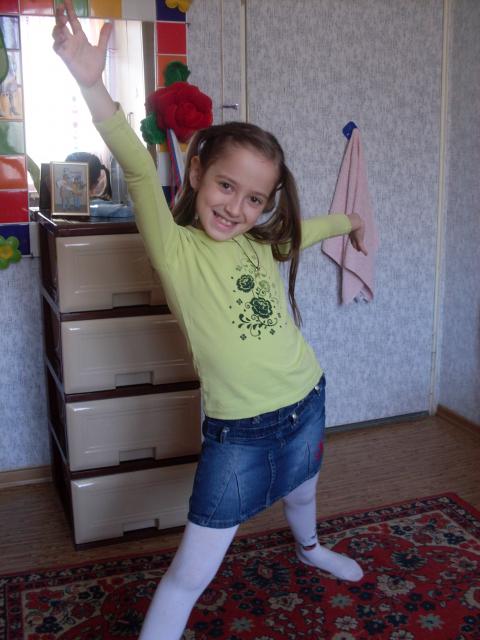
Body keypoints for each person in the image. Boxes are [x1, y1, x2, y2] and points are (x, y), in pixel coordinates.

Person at [52, 2, 368, 638]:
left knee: (304, 489)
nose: (236, 208)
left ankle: (309, 549)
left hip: (307, 397)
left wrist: (353, 223)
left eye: (254, 199)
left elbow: (306, 231)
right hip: (240, 433)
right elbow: (136, 167)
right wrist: (92, 84)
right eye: (226, 186)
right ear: (197, 172)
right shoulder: (176, 250)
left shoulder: (260, 244)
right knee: (192, 573)